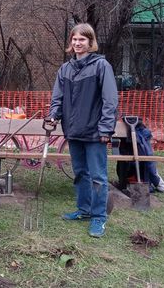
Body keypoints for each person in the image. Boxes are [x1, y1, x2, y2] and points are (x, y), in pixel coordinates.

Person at [48, 23, 118, 238]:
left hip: (96, 132)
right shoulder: (65, 69)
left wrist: (106, 128)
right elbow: (57, 98)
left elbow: (110, 100)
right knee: (80, 174)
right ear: (71, 42)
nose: (78, 43)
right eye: (75, 39)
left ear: (90, 42)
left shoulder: (101, 66)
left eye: (82, 40)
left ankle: (99, 217)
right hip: (74, 131)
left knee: (98, 175)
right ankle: (84, 210)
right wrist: (53, 115)